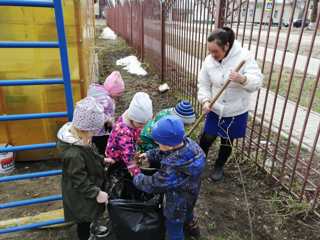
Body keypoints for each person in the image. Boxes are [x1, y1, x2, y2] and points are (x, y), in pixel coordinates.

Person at [197, 27, 263, 181]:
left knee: (227, 141)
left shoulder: (244, 57)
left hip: (236, 109)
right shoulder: (209, 61)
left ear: (226, 46)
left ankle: (219, 166)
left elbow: (257, 82)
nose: (212, 55)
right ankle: (198, 163)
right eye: (210, 51)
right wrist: (205, 101)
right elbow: (204, 84)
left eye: (215, 51)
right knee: (207, 137)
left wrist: (243, 79)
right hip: (215, 106)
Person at [133, 116, 206, 240]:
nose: (157, 144)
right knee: (189, 212)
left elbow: (154, 184)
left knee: (174, 226)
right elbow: (166, 152)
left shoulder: (174, 168)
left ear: (170, 145)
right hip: (191, 193)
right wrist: (149, 155)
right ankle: (193, 228)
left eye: (158, 143)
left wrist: (136, 176)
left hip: (177, 203)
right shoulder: (189, 144)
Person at [57, 97, 110, 240]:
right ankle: (85, 236)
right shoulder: (73, 154)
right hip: (81, 194)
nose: (93, 135)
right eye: (92, 132)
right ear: (84, 130)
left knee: (92, 212)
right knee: (84, 219)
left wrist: (102, 160)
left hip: (88, 189)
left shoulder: (81, 140)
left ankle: (94, 225)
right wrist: (96, 193)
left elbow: (91, 155)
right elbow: (79, 180)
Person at [106, 92, 153, 176]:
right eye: (141, 124)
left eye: (145, 123)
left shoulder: (131, 118)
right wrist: (137, 175)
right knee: (121, 171)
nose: (143, 126)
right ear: (132, 118)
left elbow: (136, 129)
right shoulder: (123, 132)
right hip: (116, 156)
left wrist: (137, 138)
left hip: (126, 148)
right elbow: (129, 158)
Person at [88, 71, 125, 156]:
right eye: (118, 93)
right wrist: (109, 121)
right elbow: (98, 114)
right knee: (102, 149)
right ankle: (103, 160)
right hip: (100, 132)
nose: (119, 96)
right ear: (111, 90)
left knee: (95, 147)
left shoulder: (96, 92)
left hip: (92, 130)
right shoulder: (106, 100)